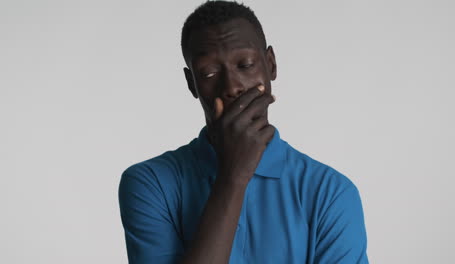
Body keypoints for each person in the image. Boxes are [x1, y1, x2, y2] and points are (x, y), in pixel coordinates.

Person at [118, 1, 369, 263]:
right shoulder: (150, 183)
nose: (232, 86)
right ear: (191, 83)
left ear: (270, 64)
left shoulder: (330, 192)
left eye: (246, 64)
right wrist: (233, 176)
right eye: (209, 72)